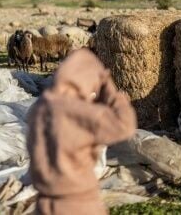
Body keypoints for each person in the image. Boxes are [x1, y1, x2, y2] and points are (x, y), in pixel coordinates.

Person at [27, 49, 137, 215]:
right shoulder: (81, 113)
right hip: (78, 203)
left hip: (45, 202)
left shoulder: (39, 108)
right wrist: (111, 93)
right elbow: (126, 126)